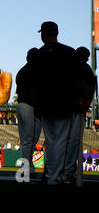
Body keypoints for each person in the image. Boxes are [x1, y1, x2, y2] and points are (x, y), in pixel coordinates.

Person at [31, 21, 79, 185]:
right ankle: (55, 176)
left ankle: (51, 173)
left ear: (44, 34)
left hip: (45, 103)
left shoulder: (39, 54)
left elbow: (34, 82)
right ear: (56, 33)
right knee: (61, 141)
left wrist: (36, 104)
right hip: (65, 103)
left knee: (51, 141)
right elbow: (76, 80)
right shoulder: (69, 52)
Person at [64, 46, 96, 183]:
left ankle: (58, 170)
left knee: (63, 140)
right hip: (75, 108)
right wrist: (84, 103)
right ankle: (68, 171)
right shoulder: (84, 69)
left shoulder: (68, 67)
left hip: (66, 108)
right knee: (73, 140)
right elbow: (90, 88)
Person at [16, 47, 42, 177]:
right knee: (30, 140)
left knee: (26, 140)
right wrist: (37, 106)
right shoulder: (35, 70)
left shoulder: (22, 70)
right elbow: (34, 91)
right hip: (31, 107)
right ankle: (26, 168)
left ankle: (28, 167)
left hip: (20, 106)